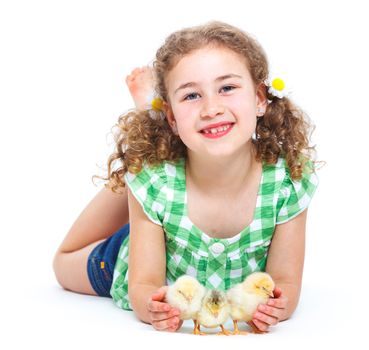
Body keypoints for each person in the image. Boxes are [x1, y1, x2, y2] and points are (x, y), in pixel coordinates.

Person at [53, 21, 322, 334]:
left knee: (149, 167)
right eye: (192, 95)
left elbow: (286, 282)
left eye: (227, 88)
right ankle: (149, 134)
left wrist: (277, 305)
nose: (211, 109)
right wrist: (152, 306)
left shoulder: (287, 180)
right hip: (133, 253)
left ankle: (153, 135)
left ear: (260, 98)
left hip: (171, 218)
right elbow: (143, 283)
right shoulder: (157, 183)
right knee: (63, 262)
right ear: (174, 117)